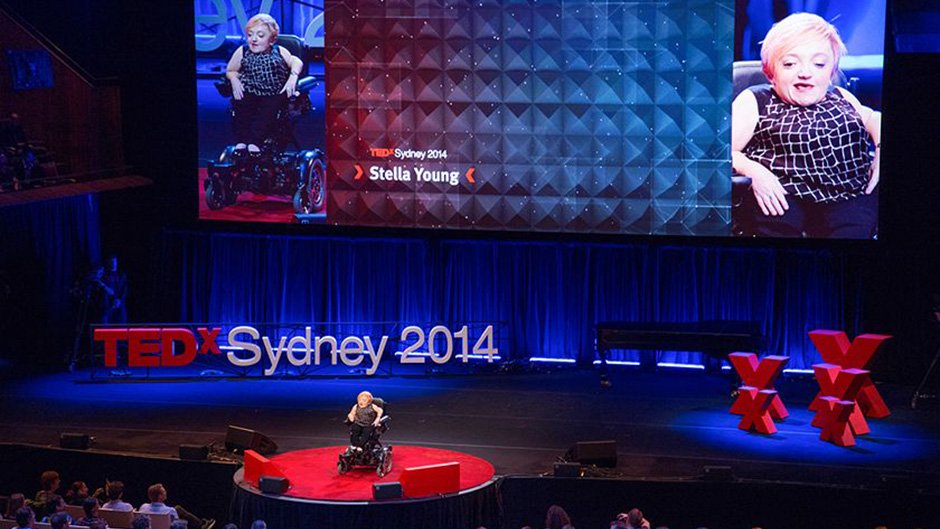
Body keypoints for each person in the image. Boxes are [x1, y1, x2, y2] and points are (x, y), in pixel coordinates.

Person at [731, 12, 881, 238]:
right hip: (784, 194)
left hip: (851, 191)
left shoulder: (840, 95)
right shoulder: (756, 99)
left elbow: (874, 118)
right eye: (790, 63)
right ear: (770, 72)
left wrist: (880, 149)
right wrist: (753, 170)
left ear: (831, 71)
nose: (805, 73)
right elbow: (719, 151)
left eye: (819, 64)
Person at [224, 13, 303, 155]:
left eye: (260, 36)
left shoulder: (279, 51)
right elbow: (230, 70)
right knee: (241, 104)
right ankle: (242, 140)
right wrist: (234, 79)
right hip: (250, 89)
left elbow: (296, 61)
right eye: (250, 35)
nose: (254, 39)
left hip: (274, 92)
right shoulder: (243, 51)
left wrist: (293, 77)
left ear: (271, 40)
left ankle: (255, 141)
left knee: (269, 109)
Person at [138, 483, 215, 529]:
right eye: (164, 492)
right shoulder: (170, 511)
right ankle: (201, 525)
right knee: (178, 510)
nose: (166, 493)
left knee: (178, 508)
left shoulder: (143, 507)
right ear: (160, 496)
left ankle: (201, 524)